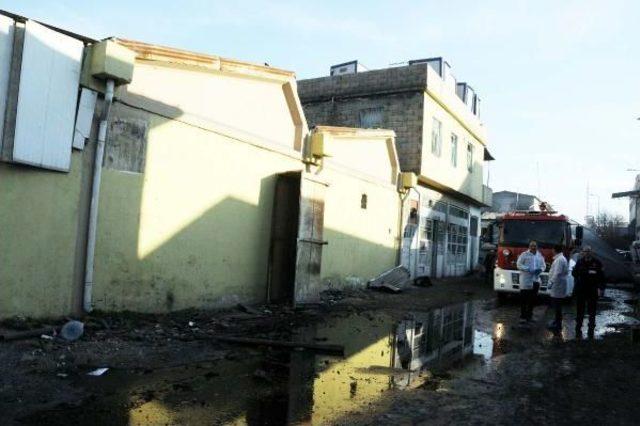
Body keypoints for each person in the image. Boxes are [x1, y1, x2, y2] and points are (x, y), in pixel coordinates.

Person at [572, 246, 605, 338]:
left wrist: (601, 289)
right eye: (585, 251)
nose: (586, 253)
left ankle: (591, 328)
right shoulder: (580, 262)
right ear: (582, 252)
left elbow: (602, 277)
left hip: (592, 290)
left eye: (588, 251)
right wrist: (579, 272)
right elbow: (574, 273)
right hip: (581, 289)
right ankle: (578, 327)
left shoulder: (597, 263)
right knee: (580, 310)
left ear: (591, 252)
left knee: (592, 310)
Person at [516, 241, 546, 324]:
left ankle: (529, 316)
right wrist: (528, 269)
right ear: (529, 247)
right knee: (524, 300)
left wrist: (541, 270)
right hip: (526, 280)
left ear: (537, 247)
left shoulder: (539, 255)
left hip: (535, 280)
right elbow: (518, 264)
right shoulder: (524, 255)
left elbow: (544, 265)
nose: (533, 247)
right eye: (532, 246)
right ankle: (523, 317)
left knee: (532, 300)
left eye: (535, 246)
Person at [547, 244, 569, 331]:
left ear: (554, 250)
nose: (552, 251)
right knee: (557, 305)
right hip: (558, 285)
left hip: (558, 285)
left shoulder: (559, 260)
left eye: (552, 249)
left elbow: (557, 273)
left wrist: (551, 282)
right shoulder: (560, 258)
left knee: (557, 306)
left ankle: (558, 325)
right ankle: (556, 321)